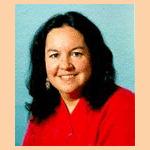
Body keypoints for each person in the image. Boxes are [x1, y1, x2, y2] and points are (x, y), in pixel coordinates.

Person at [22, 11, 134, 146]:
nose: (65, 65)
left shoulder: (124, 104)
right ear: (43, 63)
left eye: (76, 54)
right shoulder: (42, 110)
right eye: (54, 55)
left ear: (94, 57)